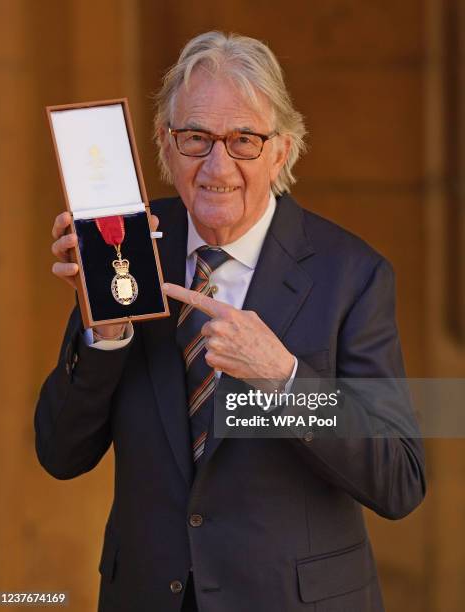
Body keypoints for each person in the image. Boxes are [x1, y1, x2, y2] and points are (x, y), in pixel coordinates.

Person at [35, 31, 426, 612]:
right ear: (166, 148)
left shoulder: (354, 275)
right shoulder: (126, 250)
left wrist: (285, 381)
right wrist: (108, 335)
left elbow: (401, 479)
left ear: (282, 151)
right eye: (196, 137)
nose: (218, 165)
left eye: (244, 139)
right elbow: (61, 454)